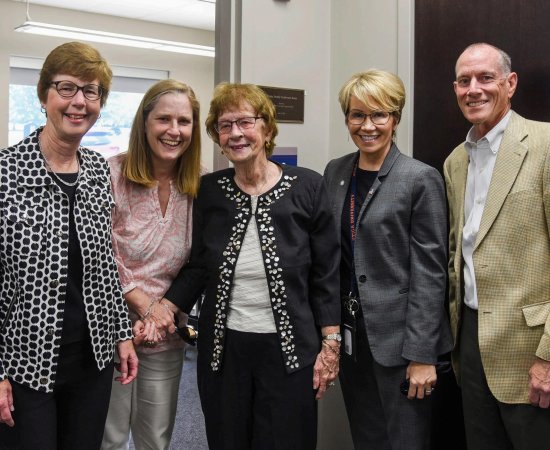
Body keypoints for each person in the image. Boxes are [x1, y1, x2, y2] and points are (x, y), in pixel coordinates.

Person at [158, 82, 341, 450]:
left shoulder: (308, 186)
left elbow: (326, 273)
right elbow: (199, 267)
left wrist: (331, 343)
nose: (236, 133)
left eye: (245, 122)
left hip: (290, 350)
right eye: (225, 126)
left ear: (267, 129)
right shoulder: (208, 191)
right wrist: (166, 305)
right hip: (223, 350)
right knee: (228, 439)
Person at [0, 42, 138, 450]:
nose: (79, 102)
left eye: (91, 91)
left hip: (91, 359)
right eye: (66, 88)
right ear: (44, 95)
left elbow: (103, 266)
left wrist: (121, 333)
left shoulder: (97, 170)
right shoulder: (6, 173)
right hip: (25, 360)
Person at [323, 69, 453, 450]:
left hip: (401, 345)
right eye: (357, 115)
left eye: (379, 115)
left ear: (395, 119)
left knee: (404, 442)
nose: (368, 126)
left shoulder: (419, 179)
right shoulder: (335, 172)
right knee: (367, 438)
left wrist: (422, 356)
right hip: (352, 340)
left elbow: (431, 275)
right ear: (346, 118)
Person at [444, 42, 550, 450]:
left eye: (486, 78)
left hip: (532, 349)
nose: (474, 89)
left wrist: (548, 357)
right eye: (464, 80)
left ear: (511, 83)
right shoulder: (456, 161)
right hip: (470, 342)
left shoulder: (542, 145)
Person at [100, 79, 205, 450]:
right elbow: (98, 250)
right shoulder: (107, 175)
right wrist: (143, 305)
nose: (174, 131)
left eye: (184, 121)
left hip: (164, 335)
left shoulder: (199, 186)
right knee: (108, 439)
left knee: (155, 439)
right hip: (109, 334)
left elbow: (200, 260)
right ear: (144, 122)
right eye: (164, 119)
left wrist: (164, 312)